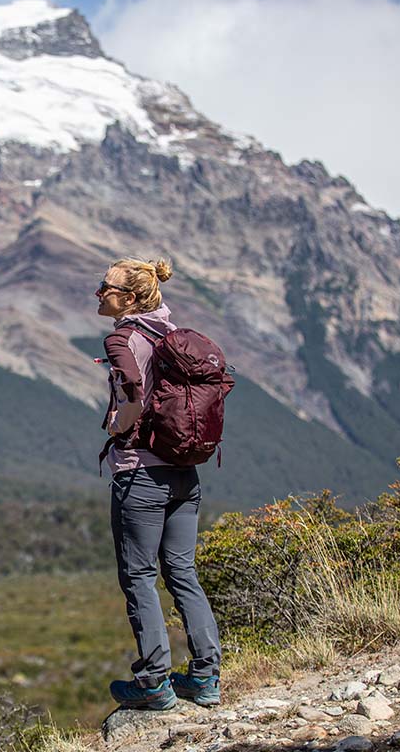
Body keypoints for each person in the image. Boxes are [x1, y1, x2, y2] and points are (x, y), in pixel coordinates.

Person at [96, 257, 222, 710]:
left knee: (139, 576)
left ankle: (153, 682)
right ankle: (206, 676)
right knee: (183, 572)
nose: (98, 294)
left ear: (129, 298)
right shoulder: (172, 334)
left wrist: (116, 426)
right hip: (184, 471)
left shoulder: (122, 338)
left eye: (105, 287)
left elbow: (131, 386)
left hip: (141, 474)